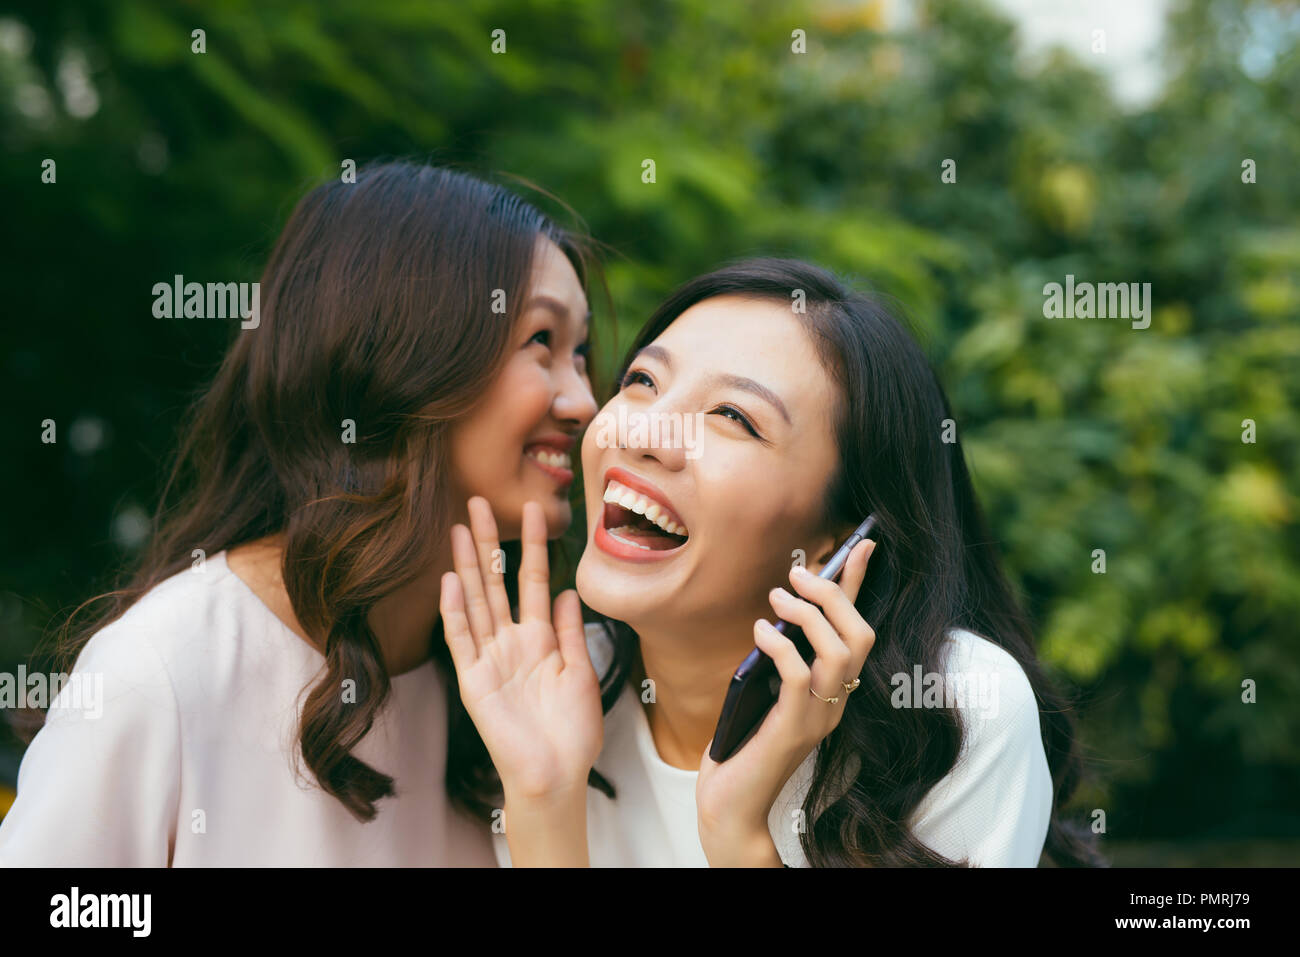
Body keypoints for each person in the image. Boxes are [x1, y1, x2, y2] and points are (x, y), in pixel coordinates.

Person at [0, 162, 600, 865]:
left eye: (583, 353)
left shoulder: (530, 698)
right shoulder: (164, 669)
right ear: (405, 350)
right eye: (543, 343)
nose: (584, 401)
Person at [439, 258, 1101, 867]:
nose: (644, 433)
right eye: (642, 380)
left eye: (732, 416)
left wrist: (739, 840)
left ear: (842, 543)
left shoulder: (951, 713)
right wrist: (543, 798)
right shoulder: (549, 692)